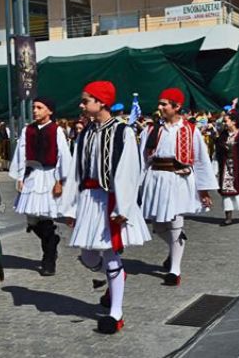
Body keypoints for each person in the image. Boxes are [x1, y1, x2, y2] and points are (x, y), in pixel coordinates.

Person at [66, 81, 150, 334]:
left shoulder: (122, 131)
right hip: (89, 198)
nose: (81, 105)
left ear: (101, 102)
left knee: (111, 253)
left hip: (111, 199)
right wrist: (70, 207)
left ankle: (116, 313)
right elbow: (75, 170)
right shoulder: (85, 133)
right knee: (89, 256)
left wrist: (123, 206)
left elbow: (128, 169)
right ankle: (116, 275)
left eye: (85, 100)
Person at [139, 87, 218, 286]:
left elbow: (200, 159)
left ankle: (175, 270)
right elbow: (141, 159)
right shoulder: (152, 129)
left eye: (164, 104)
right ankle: (176, 246)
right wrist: (136, 186)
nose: (160, 107)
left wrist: (204, 189)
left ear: (177, 106)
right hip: (156, 178)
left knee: (175, 221)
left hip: (178, 179)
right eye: (160, 103)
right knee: (158, 225)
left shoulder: (190, 130)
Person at [9, 97, 72, 276]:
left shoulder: (56, 130)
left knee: (45, 216)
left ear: (49, 111)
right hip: (32, 175)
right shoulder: (27, 130)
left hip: (49, 175)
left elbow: (63, 156)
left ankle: (49, 258)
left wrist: (60, 181)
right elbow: (21, 154)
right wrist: (20, 177)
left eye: (39, 107)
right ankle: (52, 239)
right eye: (34, 107)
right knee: (32, 218)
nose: (35, 111)